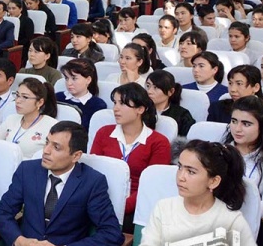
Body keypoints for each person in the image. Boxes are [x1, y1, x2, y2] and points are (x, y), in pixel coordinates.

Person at [135, 140, 263, 246]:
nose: (180, 177)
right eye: (180, 167)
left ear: (213, 181)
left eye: (191, 172)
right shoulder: (163, 207)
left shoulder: (230, 219)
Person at [0, 121, 124, 246]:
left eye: (56, 147)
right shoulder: (27, 170)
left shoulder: (92, 182)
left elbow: (111, 233)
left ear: (76, 156)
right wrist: (21, 242)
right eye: (47, 143)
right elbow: (2, 212)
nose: (46, 151)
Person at [90, 83, 172, 219]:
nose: (115, 108)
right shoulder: (104, 133)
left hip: (137, 206)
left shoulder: (159, 142)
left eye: (122, 103)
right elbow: (92, 172)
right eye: (115, 103)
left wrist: (121, 207)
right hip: (100, 200)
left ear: (140, 109)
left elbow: (151, 185)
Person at [224, 96, 263, 218]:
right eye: (234, 121)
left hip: (243, 221)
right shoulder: (218, 153)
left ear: (261, 128)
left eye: (246, 124)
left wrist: (234, 212)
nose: (237, 129)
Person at [0, 76, 58, 159]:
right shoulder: (11, 119)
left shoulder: (52, 126)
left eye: (25, 97)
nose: (17, 101)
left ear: (40, 102)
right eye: (17, 95)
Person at [55, 58, 107, 130]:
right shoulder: (57, 97)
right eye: (67, 78)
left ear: (88, 80)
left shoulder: (97, 105)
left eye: (74, 78)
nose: (69, 83)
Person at [146, 70, 195, 138]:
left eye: (155, 87)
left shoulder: (182, 115)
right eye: (148, 86)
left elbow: (186, 141)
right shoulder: (140, 110)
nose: (149, 91)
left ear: (171, 91)